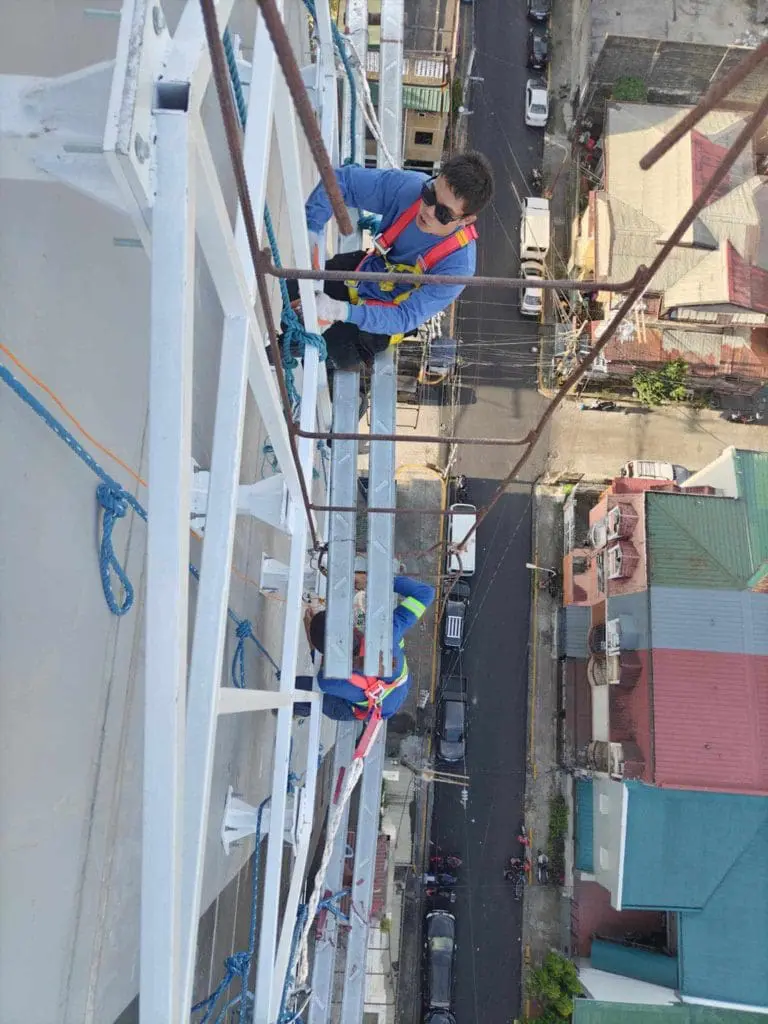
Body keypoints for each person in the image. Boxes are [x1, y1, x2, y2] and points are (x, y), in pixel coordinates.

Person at [290, 153, 494, 370]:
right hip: (366, 273)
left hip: (381, 319)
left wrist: (340, 311)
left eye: (443, 214)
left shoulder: (457, 267)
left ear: (466, 220)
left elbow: (404, 316)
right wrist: (312, 226)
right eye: (430, 195)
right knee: (292, 289)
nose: (429, 211)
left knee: (308, 351)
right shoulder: (409, 190)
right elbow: (342, 181)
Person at [294, 574, 435, 720]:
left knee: (300, 688)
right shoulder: (386, 633)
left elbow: (321, 666)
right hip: (401, 685)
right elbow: (426, 593)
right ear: (352, 627)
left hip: (378, 709)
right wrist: (370, 580)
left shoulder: (327, 680)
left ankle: (297, 709)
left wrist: (311, 639)